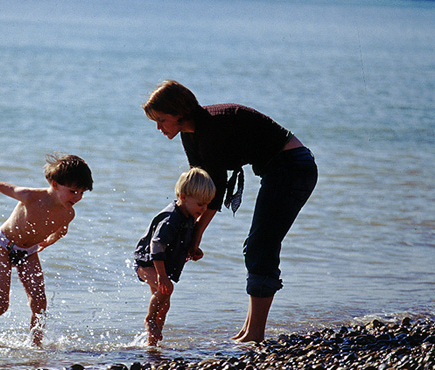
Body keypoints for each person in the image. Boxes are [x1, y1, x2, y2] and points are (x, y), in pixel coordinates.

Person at [143, 80, 318, 342]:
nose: (158, 127)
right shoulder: (190, 134)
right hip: (278, 169)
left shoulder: (211, 129)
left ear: (179, 112)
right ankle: (248, 331)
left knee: (260, 245)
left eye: (161, 119)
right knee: (257, 245)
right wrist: (184, 231)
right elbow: (199, 188)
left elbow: (215, 191)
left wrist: (197, 235)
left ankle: (254, 333)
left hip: (293, 167)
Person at [0, 154, 93, 347]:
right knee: (0, 304)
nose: (78, 197)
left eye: (82, 193)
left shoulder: (68, 213)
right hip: (5, 245)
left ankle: (35, 346)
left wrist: (46, 243)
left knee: (40, 303)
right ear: (55, 185)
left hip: (28, 251)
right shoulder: (30, 196)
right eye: (73, 191)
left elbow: (61, 232)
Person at [134, 167, 216, 346]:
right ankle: (149, 320)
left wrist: (193, 251)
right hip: (148, 262)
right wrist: (162, 276)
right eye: (200, 204)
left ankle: (152, 342)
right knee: (165, 290)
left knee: (164, 304)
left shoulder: (187, 216)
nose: (203, 209)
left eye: (206, 205)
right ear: (184, 197)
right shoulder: (171, 218)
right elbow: (156, 244)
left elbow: (179, 241)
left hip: (161, 264)